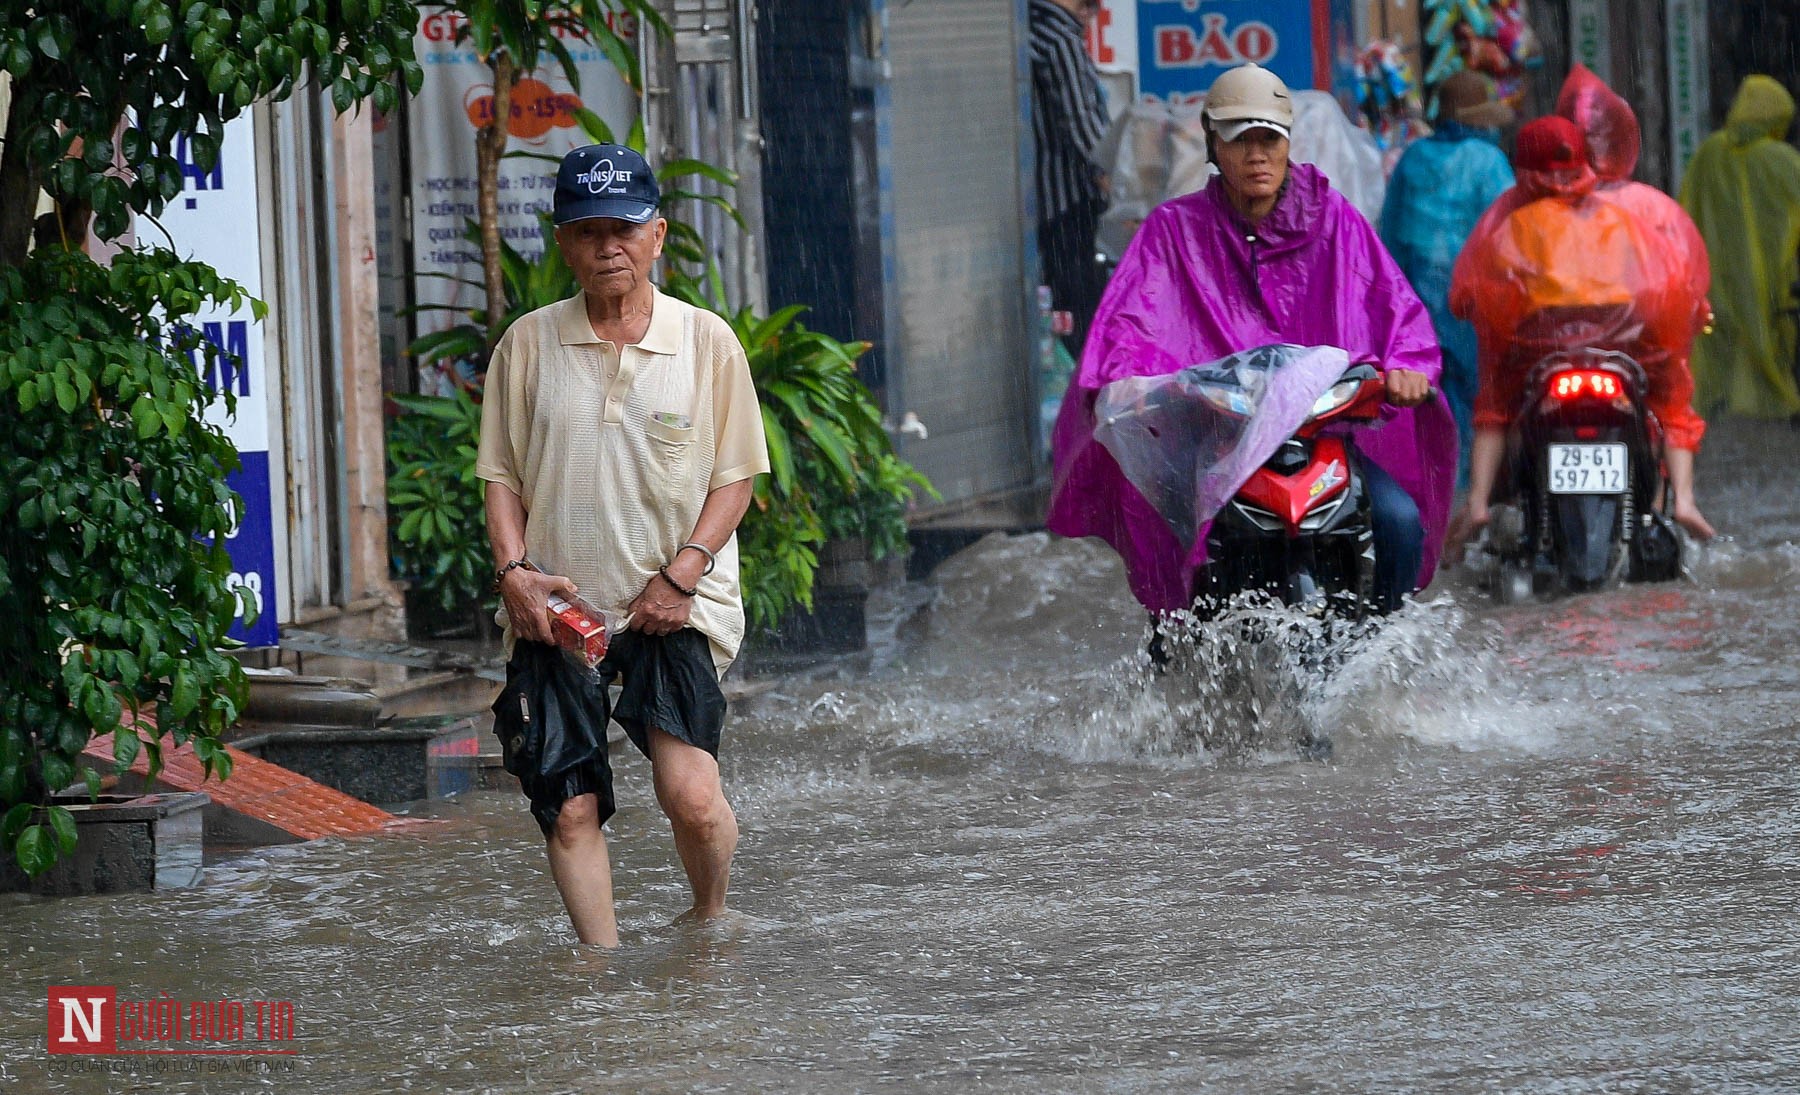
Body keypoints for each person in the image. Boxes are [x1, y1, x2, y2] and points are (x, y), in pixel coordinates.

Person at [477, 143, 771, 947]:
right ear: (564, 243)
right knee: (568, 802)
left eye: (625, 229)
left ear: (658, 236)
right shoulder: (528, 345)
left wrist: (683, 574)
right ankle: (600, 973)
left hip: (669, 604)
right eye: (589, 230)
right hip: (557, 607)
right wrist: (514, 575)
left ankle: (709, 921)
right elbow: (500, 477)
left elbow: (736, 477)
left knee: (692, 795)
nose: (609, 245)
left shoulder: (705, 342)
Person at [1048, 63, 1457, 615]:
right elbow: (1131, 325)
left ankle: (1380, 659)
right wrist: (1130, 383)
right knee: (1171, 550)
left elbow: (1391, 307)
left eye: (1269, 138)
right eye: (1241, 140)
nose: (1257, 155)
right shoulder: (1173, 231)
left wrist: (1408, 366)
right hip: (1218, 448)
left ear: (1288, 143)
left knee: (1400, 524)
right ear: (1215, 147)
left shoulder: (1335, 220)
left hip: (1326, 439)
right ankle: (1180, 666)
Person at [1450, 116, 1714, 544]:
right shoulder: (1620, 213)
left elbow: (1467, 293)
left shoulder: (1511, 220)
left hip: (1538, 346)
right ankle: (1684, 500)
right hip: (1624, 342)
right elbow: (1663, 284)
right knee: (1671, 402)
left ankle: (1478, 502)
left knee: (1494, 406)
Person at [1379, 70, 1516, 481]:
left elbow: (1390, 234)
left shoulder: (1413, 158)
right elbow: (1508, 233)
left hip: (1421, 302)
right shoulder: (1488, 160)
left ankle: (1442, 488)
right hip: (1476, 302)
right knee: (1483, 399)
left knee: (1435, 401)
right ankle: (1477, 492)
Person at [1679, 75, 1800, 421]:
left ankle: (1717, 402)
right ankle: (1769, 403)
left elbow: (1685, 207)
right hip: (1770, 275)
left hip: (1714, 271)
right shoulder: (1784, 160)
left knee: (1716, 341)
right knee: (1768, 337)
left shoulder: (1709, 153)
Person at [1029, 0, 1111, 355]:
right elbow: (1083, 125)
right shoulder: (1059, 39)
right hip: (1068, 203)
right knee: (1080, 310)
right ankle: (1084, 393)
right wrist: (1112, 179)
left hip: (1044, 204)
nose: (1094, 11)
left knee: (1061, 308)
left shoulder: (1029, 30)